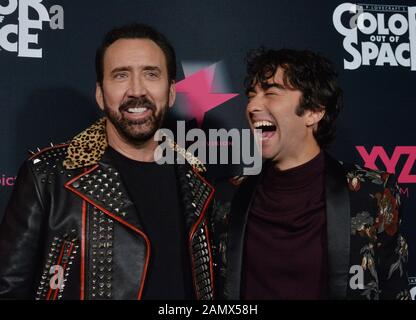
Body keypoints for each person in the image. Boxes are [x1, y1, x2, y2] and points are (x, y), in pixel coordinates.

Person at [0, 23, 215, 300]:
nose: (137, 90)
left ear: (171, 91)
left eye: (151, 74)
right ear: (101, 94)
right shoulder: (50, 176)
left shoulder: (198, 182)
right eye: (121, 75)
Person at [212, 48, 411, 300]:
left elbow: (395, 290)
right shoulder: (227, 197)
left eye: (271, 92)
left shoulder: (372, 192)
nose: (252, 105)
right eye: (251, 95)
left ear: (314, 111)